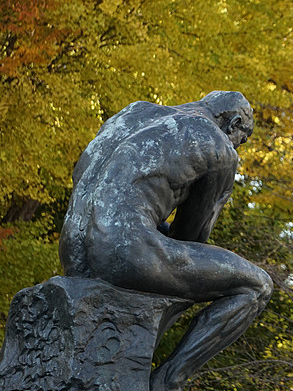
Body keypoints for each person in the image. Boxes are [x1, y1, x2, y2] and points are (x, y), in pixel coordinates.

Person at [59, 91, 272, 391]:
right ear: (234, 123)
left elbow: (97, 184)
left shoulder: (132, 113)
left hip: (72, 247)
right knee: (257, 286)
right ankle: (168, 380)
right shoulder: (218, 145)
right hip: (126, 251)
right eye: (242, 139)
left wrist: (152, 222)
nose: (238, 146)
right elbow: (191, 238)